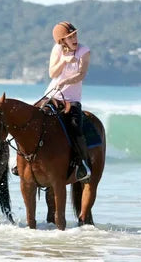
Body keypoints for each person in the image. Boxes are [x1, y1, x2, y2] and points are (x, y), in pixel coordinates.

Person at [45, 21, 92, 182]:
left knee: (75, 129)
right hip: (52, 96)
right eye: (70, 37)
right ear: (62, 41)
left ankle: (82, 166)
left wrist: (67, 81)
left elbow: (81, 74)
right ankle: (22, 161)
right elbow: (52, 73)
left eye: (75, 35)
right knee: (33, 119)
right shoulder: (57, 50)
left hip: (72, 100)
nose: (74, 38)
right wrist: (64, 60)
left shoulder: (84, 51)